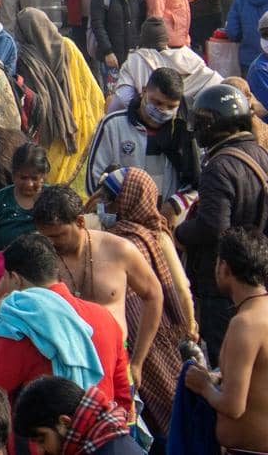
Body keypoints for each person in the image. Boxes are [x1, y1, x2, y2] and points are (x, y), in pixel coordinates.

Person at [87, 169, 197, 444]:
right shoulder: (140, 235)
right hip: (150, 337)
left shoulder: (136, 239)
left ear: (130, 200)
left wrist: (189, 325)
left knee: (161, 404)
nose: (106, 206)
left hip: (155, 337)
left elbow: (180, 288)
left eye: (112, 199)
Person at [0, 233, 131, 415]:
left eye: (3, 278)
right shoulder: (105, 318)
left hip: (42, 439)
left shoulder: (20, 326)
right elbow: (123, 400)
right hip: (100, 434)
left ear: (15, 278)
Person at [176, 83, 268, 357]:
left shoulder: (219, 166)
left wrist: (179, 232)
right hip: (258, 275)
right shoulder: (260, 154)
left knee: (226, 363)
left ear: (213, 126)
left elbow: (213, 227)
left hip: (225, 287)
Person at [32, 184, 162, 371]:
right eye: (46, 237)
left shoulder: (118, 249)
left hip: (115, 361)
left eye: (59, 235)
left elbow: (154, 295)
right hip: (62, 365)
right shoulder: (39, 256)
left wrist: (137, 362)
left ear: (80, 222)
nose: (51, 243)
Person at [183, 226, 268, 451]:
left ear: (224, 267)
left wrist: (203, 386)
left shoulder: (245, 323)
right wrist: (218, 377)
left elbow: (233, 406)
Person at [12, 9, 102, 186]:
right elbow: (91, 87)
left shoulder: (25, 59)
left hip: (49, 132)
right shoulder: (67, 46)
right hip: (80, 125)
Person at [83, 65, 199, 201]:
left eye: (171, 107)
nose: (163, 110)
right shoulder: (113, 125)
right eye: (157, 103)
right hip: (120, 216)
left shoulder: (182, 131)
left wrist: (176, 205)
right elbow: (94, 179)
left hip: (167, 217)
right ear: (144, 91)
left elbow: (195, 182)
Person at [11, 375, 142, 455]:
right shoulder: (109, 439)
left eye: (42, 440)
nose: (40, 451)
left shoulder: (107, 449)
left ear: (65, 422)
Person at [90, 0, 146, 75]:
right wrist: (108, 52)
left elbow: (142, 21)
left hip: (134, 56)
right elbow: (98, 25)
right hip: (111, 57)